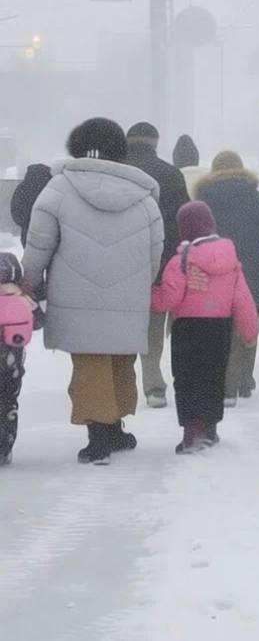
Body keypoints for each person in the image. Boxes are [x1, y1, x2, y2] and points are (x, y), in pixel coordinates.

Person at [22, 118, 164, 464]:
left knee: (89, 364)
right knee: (119, 360)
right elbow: (155, 253)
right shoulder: (144, 198)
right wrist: (139, 285)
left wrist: (30, 283)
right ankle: (114, 428)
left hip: (75, 296)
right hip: (127, 297)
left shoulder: (57, 190)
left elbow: (39, 243)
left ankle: (99, 437)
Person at [152, 201, 259, 454]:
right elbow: (243, 299)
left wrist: (150, 297)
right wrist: (249, 332)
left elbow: (170, 298)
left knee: (187, 378)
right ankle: (210, 429)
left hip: (188, 328)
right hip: (219, 328)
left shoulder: (181, 262)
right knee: (213, 377)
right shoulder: (231, 261)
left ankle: (192, 432)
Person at [194, 151, 259, 406]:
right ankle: (242, 379)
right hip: (253, 272)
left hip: (213, 273)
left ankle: (221, 379)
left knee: (219, 326)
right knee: (247, 326)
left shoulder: (202, 201)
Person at [126, 122, 191, 410]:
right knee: (155, 328)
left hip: (120, 264)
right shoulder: (170, 173)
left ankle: (117, 388)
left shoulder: (115, 172)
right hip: (163, 261)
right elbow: (184, 218)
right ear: (155, 142)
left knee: (119, 329)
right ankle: (154, 386)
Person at [0, 253, 40, 466]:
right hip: (11, 368)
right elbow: (39, 321)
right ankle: (4, 447)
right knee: (8, 404)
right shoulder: (22, 299)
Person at [10, 163, 52, 246]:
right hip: (49, 233)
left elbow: (15, 210)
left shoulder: (22, 188)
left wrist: (27, 224)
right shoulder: (50, 188)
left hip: (27, 233)